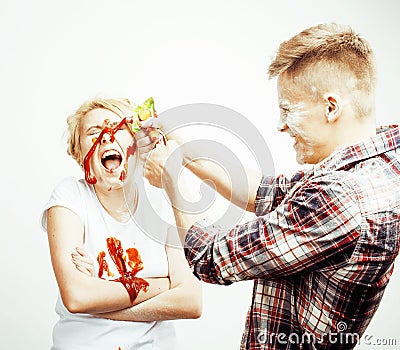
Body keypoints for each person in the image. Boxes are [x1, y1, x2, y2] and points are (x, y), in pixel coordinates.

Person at [139, 23, 400, 349]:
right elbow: (267, 192)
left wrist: (172, 181)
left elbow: (210, 257)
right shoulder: (380, 162)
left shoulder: (342, 198)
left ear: (331, 107)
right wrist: (185, 151)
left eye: (287, 110)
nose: (280, 125)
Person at [41, 97, 202, 350]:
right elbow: (77, 297)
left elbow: (191, 301)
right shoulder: (70, 196)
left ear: (138, 144)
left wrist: (102, 301)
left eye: (118, 129)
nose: (106, 136)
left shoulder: (163, 198)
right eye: (93, 132)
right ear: (78, 152)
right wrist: (165, 283)